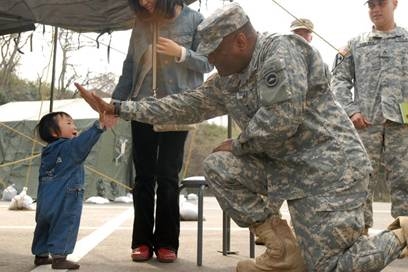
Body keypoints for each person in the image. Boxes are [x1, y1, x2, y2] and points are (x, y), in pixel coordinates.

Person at [76, 2, 408, 271]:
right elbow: (183, 106)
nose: (210, 61)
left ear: (239, 41)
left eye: (214, 53)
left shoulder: (282, 50)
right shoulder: (229, 77)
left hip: (332, 174)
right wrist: (119, 107)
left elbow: (282, 119)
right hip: (286, 170)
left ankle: (403, 232)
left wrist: (240, 143)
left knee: (332, 267)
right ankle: (283, 251)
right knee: (220, 165)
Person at [110, 0, 212, 263]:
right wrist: (115, 105)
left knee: (167, 175)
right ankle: (141, 241)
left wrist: (181, 52)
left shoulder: (194, 19)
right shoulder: (142, 21)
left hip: (178, 107)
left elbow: (208, 63)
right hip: (142, 105)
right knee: (143, 176)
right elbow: (129, 67)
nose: (144, 3)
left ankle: (167, 243)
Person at [331, 0, 408, 236]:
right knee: (361, 178)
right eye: (370, 5)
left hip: (402, 124)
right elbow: (339, 81)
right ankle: (360, 233)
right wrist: (351, 110)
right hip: (366, 124)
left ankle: (404, 233)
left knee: (405, 178)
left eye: (380, 4)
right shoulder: (356, 44)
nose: (375, 9)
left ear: (394, 4)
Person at [31, 111, 115, 270]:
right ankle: (60, 257)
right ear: (54, 133)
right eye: (68, 123)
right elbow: (84, 142)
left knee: (43, 225)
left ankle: (40, 255)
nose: (74, 126)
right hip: (66, 197)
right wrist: (99, 126)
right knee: (66, 223)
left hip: (45, 199)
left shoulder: (48, 151)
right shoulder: (69, 147)